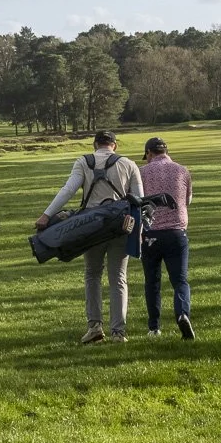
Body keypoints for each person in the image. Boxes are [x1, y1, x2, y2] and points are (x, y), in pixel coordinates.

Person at [36, 129, 143, 344]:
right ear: (115, 145)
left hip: (91, 226)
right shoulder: (129, 164)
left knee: (92, 275)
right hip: (120, 226)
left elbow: (68, 190)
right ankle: (118, 332)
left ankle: (94, 326)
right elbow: (140, 200)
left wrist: (47, 215)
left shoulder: (84, 162)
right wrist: (139, 233)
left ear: (95, 144)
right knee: (118, 279)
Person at [139, 137, 195, 339]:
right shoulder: (182, 170)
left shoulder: (142, 172)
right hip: (176, 232)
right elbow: (187, 200)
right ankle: (182, 314)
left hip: (150, 233)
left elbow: (136, 200)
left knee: (152, 281)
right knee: (180, 280)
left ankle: (154, 327)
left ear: (149, 153)